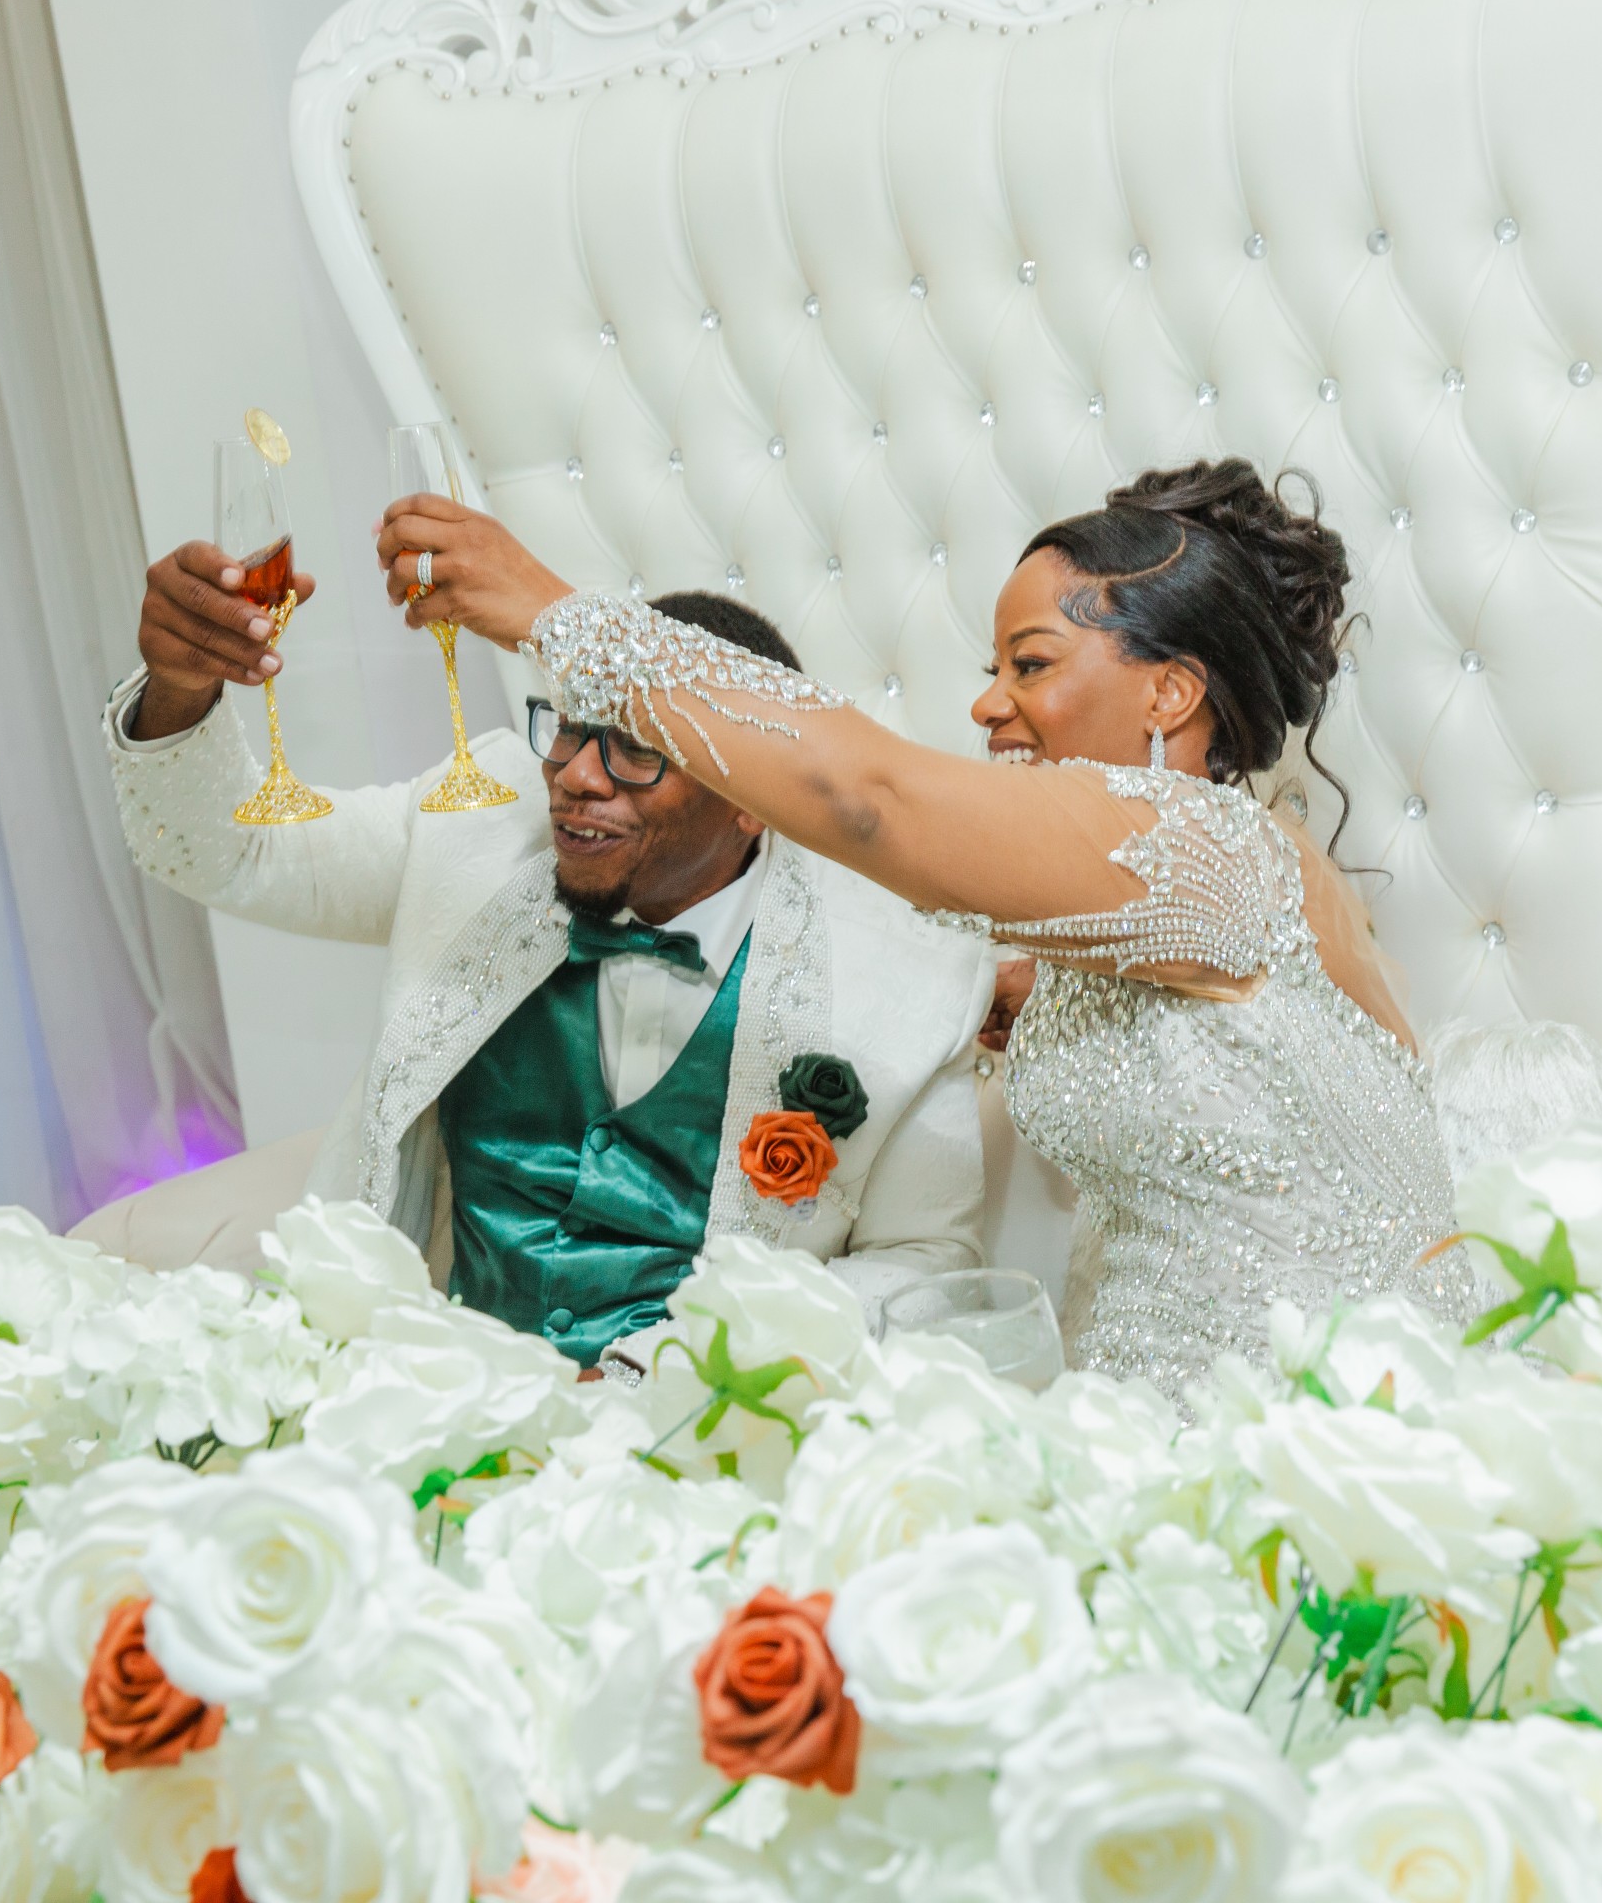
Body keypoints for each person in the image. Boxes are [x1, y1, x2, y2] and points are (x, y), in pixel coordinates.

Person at [378, 460, 1477, 1393]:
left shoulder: (1207, 849)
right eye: (991, 669)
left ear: (1170, 696)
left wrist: (559, 618)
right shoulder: (1180, 888)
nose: (989, 704)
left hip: (1306, 1414)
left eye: (1031, 665)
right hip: (1149, 1387)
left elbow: (871, 801)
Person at [104, 550, 996, 1368]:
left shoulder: (908, 979)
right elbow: (224, 849)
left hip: (697, 1444)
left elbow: (923, 1265)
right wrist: (181, 685)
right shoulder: (474, 830)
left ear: (754, 798)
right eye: (570, 728)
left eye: (637, 748)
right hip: (432, 1400)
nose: (574, 773)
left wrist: (700, 1362)